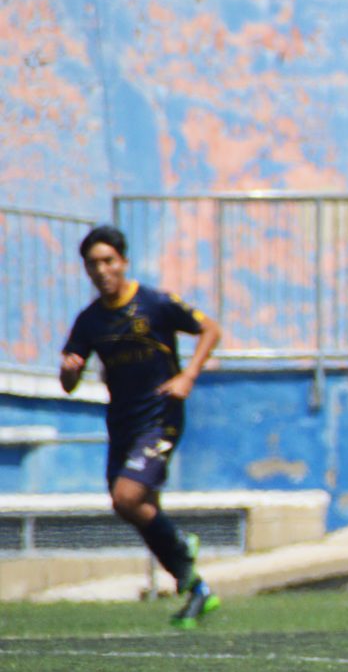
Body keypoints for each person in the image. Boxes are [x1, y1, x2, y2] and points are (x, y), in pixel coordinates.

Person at [60, 225, 225, 629]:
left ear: (123, 262)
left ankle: (183, 550)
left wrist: (188, 376)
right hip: (122, 423)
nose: (101, 270)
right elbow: (67, 382)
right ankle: (195, 586)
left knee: (127, 496)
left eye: (108, 261)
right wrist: (69, 371)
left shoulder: (153, 303)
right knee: (129, 505)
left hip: (160, 417)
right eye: (92, 264)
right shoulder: (89, 321)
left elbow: (211, 329)